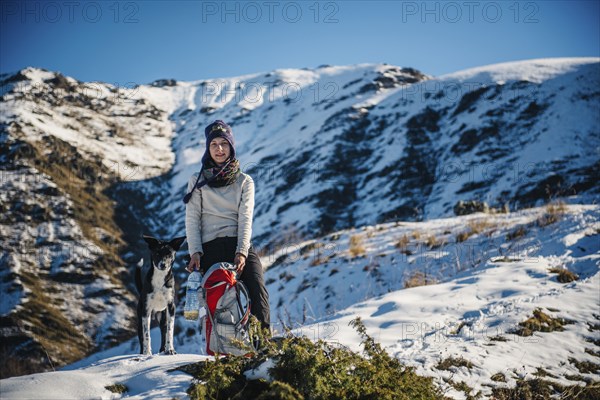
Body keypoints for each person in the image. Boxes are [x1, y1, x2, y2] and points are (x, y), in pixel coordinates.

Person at [183, 120, 270, 332]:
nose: (219, 149)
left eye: (224, 143)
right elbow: (193, 218)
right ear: (208, 149)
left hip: (238, 244)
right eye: (214, 144)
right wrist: (195, 252)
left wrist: (241, 251)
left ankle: (264, 349)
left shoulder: (244, 181)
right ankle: (224, 352)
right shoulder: (197, 180)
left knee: (258, 292)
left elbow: (245, 218)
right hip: (210, 247)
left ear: (231, 146)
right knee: (220, 302)